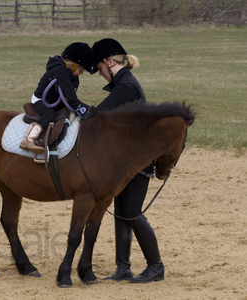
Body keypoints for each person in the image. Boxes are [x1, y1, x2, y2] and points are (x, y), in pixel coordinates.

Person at [91, 38, 164, 283]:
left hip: (137, 163)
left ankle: (156, 267)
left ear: (110, 62)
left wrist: (74, 107)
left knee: (132, 212)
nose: (100, 74)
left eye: (100, 69)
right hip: (125, 162)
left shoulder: (127, 87)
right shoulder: (123, 84)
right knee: (122, 212)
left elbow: (97, 115)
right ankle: (123, 267)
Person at [19, 42, 94, 153]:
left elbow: (70, 98)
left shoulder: (70, 74)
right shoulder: (60, 71)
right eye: (81, 69)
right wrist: (86, 110)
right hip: (41, 100)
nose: (81, 73)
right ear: (72, 64)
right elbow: (72, 99)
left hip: (56, 99)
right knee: (50, 114)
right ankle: (29, 139)